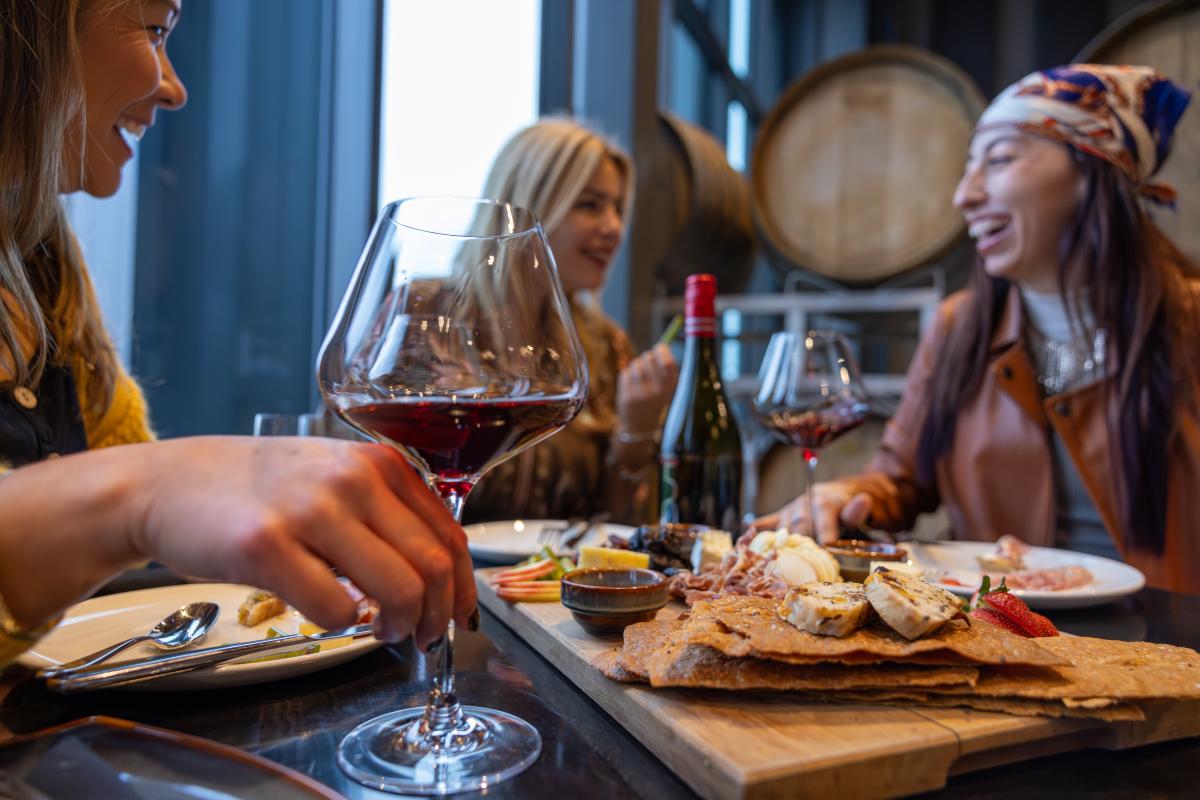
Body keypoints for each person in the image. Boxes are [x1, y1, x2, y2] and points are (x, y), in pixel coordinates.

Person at [0, 0, 474, 666]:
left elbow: (144, 531)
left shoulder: (46, 265)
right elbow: (138, 493)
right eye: (155, 31)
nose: (174, 85)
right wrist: (143, 494)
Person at [756, 64, 1199, 594]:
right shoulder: (959, 326)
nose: (964, 195)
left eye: (1000, 160)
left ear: (1093, 170)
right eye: (969, 167)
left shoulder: (1189, 323)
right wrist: (847, 493)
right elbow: (901, 480)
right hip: (996, 638)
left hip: (1168, 647)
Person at [462, 118, 678, 524]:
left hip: (553, 584)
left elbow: (621, 532)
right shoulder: (427, 316)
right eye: (590, 205)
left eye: (617, 208)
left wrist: (637, 431)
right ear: (529, 206)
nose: (614, 228)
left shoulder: (606, 345)